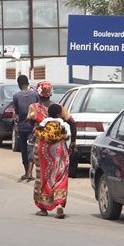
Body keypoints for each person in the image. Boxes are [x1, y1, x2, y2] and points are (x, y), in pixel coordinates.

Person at [28, 81, 77, 219]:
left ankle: (43, 208)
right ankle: (60, 204)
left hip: (42, 148)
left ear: (38, 93)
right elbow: (72, 123)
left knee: (43, 176)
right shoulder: (59, 108)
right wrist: (73, 141)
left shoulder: (34, 107)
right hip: (59, 147)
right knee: (60, 174)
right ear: (51, 93)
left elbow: (30, 122)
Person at [12, 74, 40, 182]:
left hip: (21, 126)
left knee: (23, 149)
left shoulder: (16, 96)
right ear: (28, 83)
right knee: (31, 148)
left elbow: (17, 112)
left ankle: (26, 172)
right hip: (33, 126)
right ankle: (29, 173)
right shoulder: (35, 95)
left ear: (19, 84)